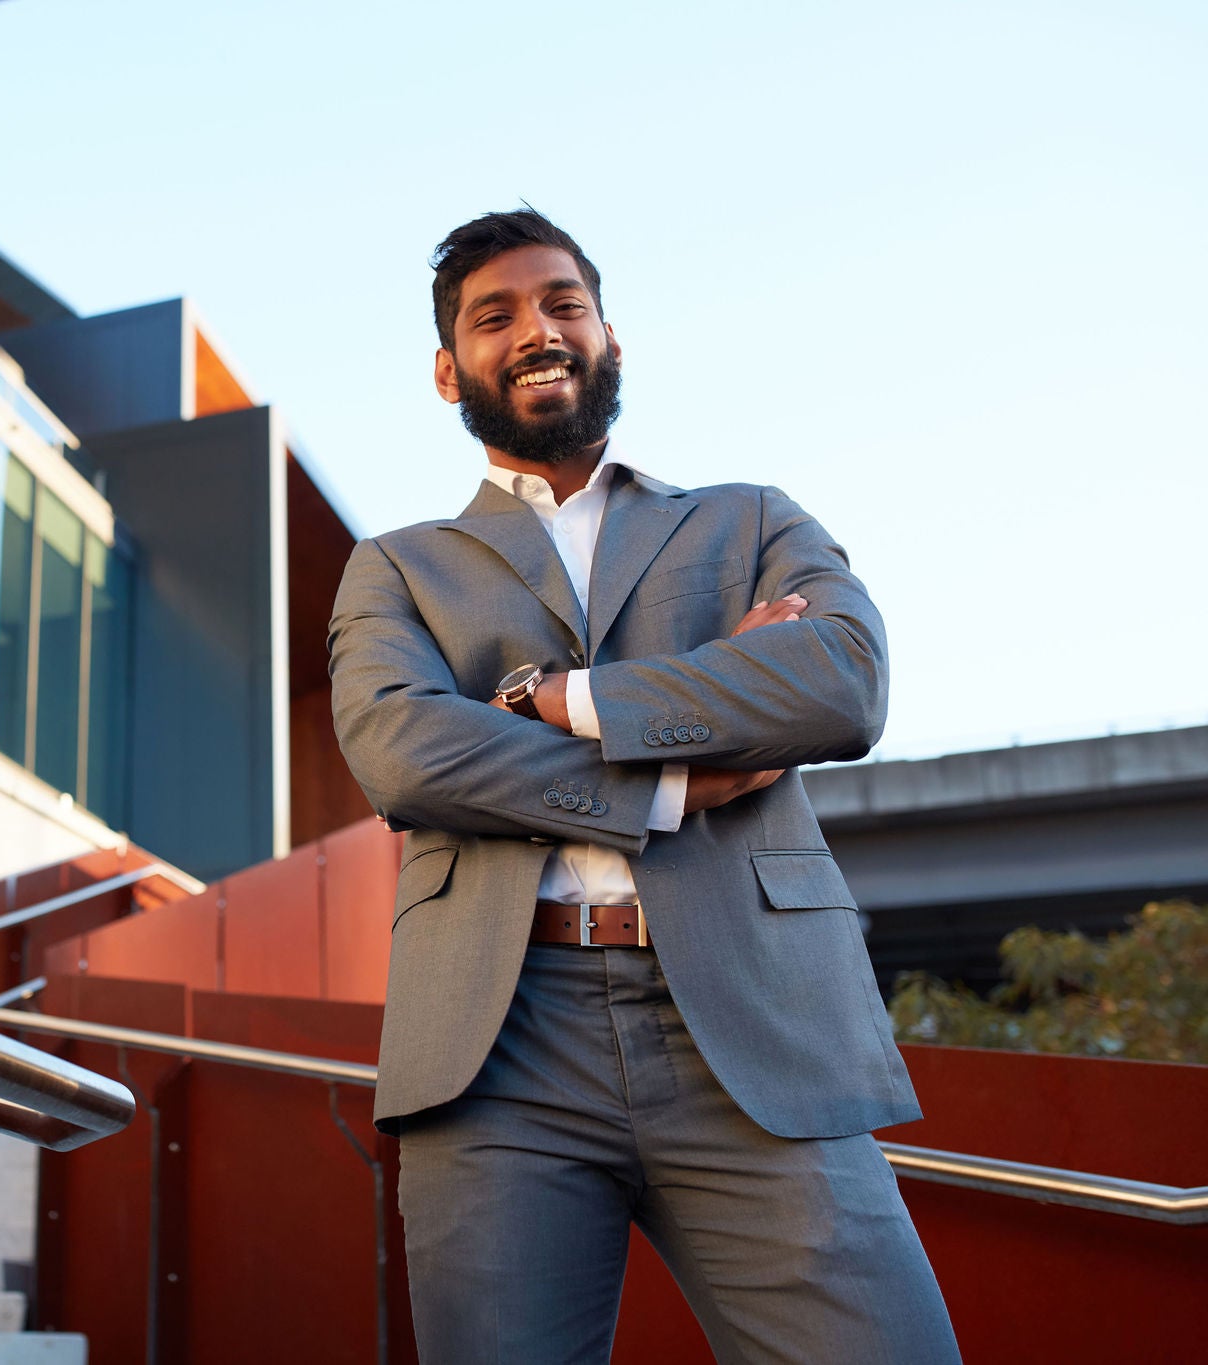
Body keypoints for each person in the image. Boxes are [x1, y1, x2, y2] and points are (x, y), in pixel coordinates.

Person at [326, 208, 960, 1364]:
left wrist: (549, 701)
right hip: (497, 1043)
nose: (537, 330)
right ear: (444, 370)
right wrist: (667, 785)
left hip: (753, 1012)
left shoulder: (747, 518)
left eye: (563, 303)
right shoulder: (395, 568)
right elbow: (402, 753)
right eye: (494, 316)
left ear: (610, 336)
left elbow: (840, 683)